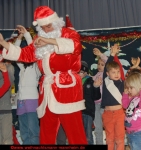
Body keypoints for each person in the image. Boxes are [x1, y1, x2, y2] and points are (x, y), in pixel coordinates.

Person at [0, 6, 87, 144]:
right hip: (47, 91)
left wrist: (50, 41)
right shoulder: (39, 39)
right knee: (46, 134)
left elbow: (75, 46)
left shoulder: (67, 33)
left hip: (67, 90)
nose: (46, 30)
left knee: (75, 133)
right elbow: (25, 54)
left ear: (56, 22)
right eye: (43, 27)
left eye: (48, 26)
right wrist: (4, 43)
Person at [14, 25, 41, 145]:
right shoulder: (21, 68)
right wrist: (19, 38)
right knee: (24, 131)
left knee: (33, 130)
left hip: (32, 100)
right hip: (20, 101)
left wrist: (26, 34)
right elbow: (14, 53)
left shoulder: (36, 67)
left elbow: (33, 49)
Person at [101, 44, 125, 150]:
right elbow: (107, 65)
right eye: (113, 72)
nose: (116, 74)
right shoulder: (106, 81)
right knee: (109, 138)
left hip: (119, 114)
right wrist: (112, 54)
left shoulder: (122, 83)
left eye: (118, 72)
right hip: (107, 114)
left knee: (120, 138)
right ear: (107, 74)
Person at [122, 72, 141, 150]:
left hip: (138, 133)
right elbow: (125, 105)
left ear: (138, 86)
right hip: (130, 133)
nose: (129, 90)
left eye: (131, 88)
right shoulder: (132, 98)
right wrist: (125, 95)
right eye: (128, 88)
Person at [79, 60, 102, 144]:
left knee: (88, 135)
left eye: (81, 72)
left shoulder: (90, 81)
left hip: (87, 112)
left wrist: (96, 87)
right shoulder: (74, 82)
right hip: (77, 112)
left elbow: (97, 97)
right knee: (78, 135)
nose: (79, 74)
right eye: (77, 72)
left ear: (85, 72)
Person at [93, 48, 108, 144]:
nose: (99, 66)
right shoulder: (94, 77)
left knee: (108, 127)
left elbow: (108, 61)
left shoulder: (107, 75)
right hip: (96, 105)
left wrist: (100, 54)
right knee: (98, 128)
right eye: (98, 64)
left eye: (102, 65)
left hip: (104, 104)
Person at [0, 59, 14, 144]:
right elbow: (6, 85)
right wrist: (5, 71)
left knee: (6, 140)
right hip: (5, 109)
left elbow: (7, 85)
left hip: (5, 109)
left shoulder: (10, 67)